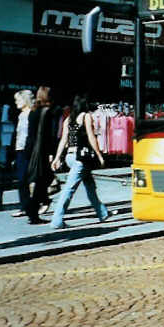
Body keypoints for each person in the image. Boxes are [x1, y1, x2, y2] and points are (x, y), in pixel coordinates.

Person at [49, 95, 111, 229]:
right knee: (69, 189)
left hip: (70, 157)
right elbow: (91, 137)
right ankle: (57, 219)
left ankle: (102, 212)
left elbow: (63, 140)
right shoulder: (86, 116)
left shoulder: (68, 119)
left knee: (90, 185)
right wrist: (100, 155)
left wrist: (57, 157)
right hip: (81, 158)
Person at [23, 87, 61, 223]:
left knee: (38, 181)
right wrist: (52, 153)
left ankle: (33, 209)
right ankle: (34, 209)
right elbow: (50, 135)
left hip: (31, 150)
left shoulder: (33, 112)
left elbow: (30, 133)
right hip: (42, 152)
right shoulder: (50, 112)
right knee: (42, 181)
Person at [11, 90, 36, 218]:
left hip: (27, 150)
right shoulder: (21, 115)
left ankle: (30, 207)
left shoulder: (31, 114)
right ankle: (24, 206)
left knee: (26, 179)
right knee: (21, 180)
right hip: (19, 150)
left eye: (18, 100)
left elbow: (31, 135)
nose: (16, 102)